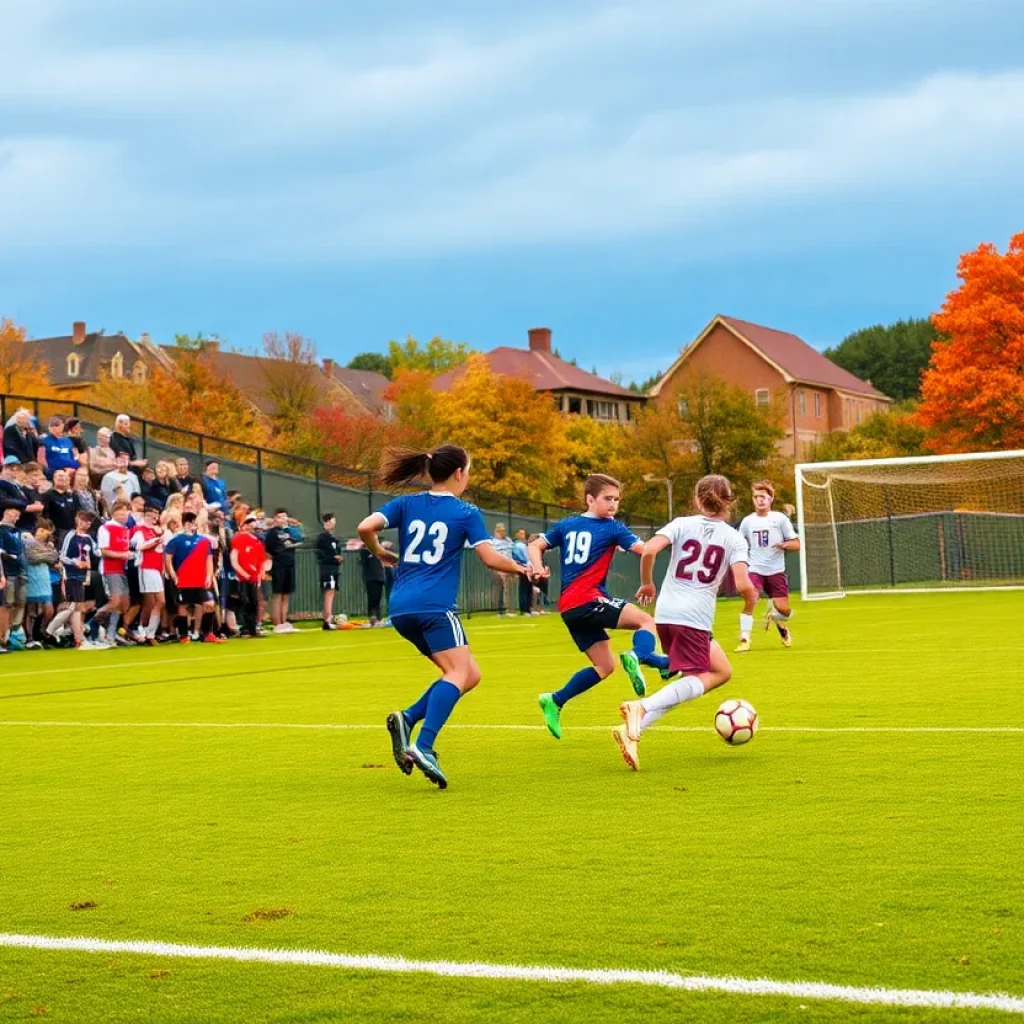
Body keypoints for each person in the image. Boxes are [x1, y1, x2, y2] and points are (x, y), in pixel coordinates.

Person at [357, 444, 531, 790]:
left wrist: (381, 552)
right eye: (470, 470)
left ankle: (407, 719)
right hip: (435, 606)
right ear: (458, 474)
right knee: (459, 672)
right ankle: (424, 745)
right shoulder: (465, 512)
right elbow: (491, 559)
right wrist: (521, 568)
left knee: (470, 674)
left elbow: (365, 526)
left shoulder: (407, 503)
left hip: (402, 607)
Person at [615, 475, 758, 771]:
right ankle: (640, 707)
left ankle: (634, 730)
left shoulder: (681, 524)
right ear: (730, 501)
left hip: (665, 613)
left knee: (713, 672)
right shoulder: (734, 538)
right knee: (712, 675)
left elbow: (650, 550)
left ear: (696, 500)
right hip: (694, 617)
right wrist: (750, 603)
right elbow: (744, 583)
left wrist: (647, 584)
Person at [528, 473, 671, 741]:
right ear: (590, 499)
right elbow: (646, 550)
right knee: (645, 621)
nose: (613, 504)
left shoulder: (566, 525)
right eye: (608, 498)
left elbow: (535, 545)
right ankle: (643, 657)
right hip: (588, 599)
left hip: (569, 609)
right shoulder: (613, 528)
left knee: (605, 666)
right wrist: (674, 537)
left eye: (616, 499)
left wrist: (537, 569)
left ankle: (555, 700)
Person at [735, 480, 801, 651]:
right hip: (755, 569)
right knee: (752, 599)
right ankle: (744, 639)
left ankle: (779, 622)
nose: (760, 500)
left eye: (763, 497)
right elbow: (738, 543)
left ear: (771, 499)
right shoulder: (747, 522)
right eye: (756, 497)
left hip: (776, 571)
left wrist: (784, 545)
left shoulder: (780, 519)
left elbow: (796, 544)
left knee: (784, 609)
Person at [164, 511, 221, 644]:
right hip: (183, 579)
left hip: (200, 579)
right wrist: (174, 576)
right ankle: (184, 635)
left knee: (209, 604)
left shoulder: (204, 541)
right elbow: (168, 560)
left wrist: (209, 576)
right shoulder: (175, 540)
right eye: (191, 523)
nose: (193, 526)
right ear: (185, 524)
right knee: (183, 606)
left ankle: (207, 633)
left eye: (195, 523)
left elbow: (209, 560)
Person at [92, 500, 134, 646]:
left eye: (126, 511)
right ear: (113, 513)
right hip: (110, 569)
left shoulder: (126, 530)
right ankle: (90, 626)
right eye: (120, 511)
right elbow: (104, 551)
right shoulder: (106, 528)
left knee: (123, 604)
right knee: (114, 601)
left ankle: (110, 634)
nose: (123, 514)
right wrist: (122, 555)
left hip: (122, 569)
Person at [59, 510, 100, 649]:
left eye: (88, 521)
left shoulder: (88, 538)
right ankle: (78, 639)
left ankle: (76, 635)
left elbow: (97, 551)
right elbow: (63, 556)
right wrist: (74, 562)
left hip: (84, 575)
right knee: (76, 607)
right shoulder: (71, 535)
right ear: (77, 520)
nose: (86, 524)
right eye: (83, 520)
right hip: (72, 575)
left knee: (80, 607)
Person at [230, 514, 270, 638]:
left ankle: (254, 628)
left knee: (255, 603)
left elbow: (262, 560)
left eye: (251, 522)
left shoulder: (257, 541)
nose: (249, 526)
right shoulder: (237, 538)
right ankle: (246, 628)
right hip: (243, 579)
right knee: (245, 603)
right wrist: (244, 574)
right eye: (247, 523)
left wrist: (260, 573)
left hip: (254, 578)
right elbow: (234, 559)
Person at [264, 508, 303, 633]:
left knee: (286, 595)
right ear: (275, 519)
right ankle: (277, 623)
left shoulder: (290, 532)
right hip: (278, 566)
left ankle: (284, 621)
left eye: (284, 516)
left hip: (289, 565)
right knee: (278, 594)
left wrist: (293, 524)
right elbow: (267, 550)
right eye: (280, 517)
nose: (282, 519)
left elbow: (300, 535)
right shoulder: (272, 533)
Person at [131, 503, 165, 645]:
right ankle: (144, 631)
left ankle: (149, 633)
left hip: (157, 568)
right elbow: (140, 547)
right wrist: (155, 541)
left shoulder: (157, 531)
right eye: (150, 515)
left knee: (157, 602)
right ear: (145, 516)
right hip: (146, 567)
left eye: (155, 515)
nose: (153, 518)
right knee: (153, 602)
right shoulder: (139, 530)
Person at [25, 519, 59, 646]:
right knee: (31, 610)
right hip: (33, 577)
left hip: (45, 578)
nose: (43, 533)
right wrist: (46, 556)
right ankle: (30, 638)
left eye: (46, 531)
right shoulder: (29, 542)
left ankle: (40, 631)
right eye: (41, 530)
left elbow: (54, 557)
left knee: (49, 610)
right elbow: (32, 558)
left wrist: (44, 554)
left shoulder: (49, 545)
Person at [0, 505, 28, 649]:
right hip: (8, 572)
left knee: (20, 603)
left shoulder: (17, 531)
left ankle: (11, 632)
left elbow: (22, 551)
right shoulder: (1, 530)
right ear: (5, 513)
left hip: (20, 572)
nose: (15, 518)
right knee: (7, 604)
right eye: (13, 515)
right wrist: (11, 556)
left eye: (17, 516)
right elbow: (1, 551)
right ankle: (2, 636)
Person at [315, 513, 343, 630]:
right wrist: (333, 558)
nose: (333, 524)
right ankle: (327, 620)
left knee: (332, 592)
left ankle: (329, 618)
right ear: (326, 522)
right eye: (331, 521)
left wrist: (339, 557)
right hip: (327, 569)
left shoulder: (333, 538)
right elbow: (321, 555)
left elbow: (337, 552)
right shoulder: (322, 538)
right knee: (328, 593)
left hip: (334, 569)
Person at [488, 523, 517, 615]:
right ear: (497, 530)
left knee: (509, 590)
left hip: (508, 567)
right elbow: (492, 556)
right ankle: (498, 610)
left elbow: (511, 554)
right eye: (501, 530)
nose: (503, 532)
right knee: (498, 589)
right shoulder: (493, 542)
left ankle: (509, 609)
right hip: (498, 568)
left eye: (504, 530)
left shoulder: (508, 540)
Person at [359, 540, 387, 625]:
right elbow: (363, 562)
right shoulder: (364, 552)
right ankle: (372, 617)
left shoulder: (378, 551)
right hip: (370, 577)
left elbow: (383, 562)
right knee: (372, 598)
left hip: (380, 577)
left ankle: (379, 617)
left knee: (378, 598)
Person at [511, 527, 533, 616]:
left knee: (529, 589)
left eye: (523, 533)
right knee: (523, 589)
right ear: (517, 535)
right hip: (523, 568)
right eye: (521, 533)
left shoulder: (525, 545)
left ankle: (528, 609)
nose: (522, 535)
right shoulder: (517, 545)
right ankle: (524, 609)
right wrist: (527, 565)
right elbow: (521, 558)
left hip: (529, 568)